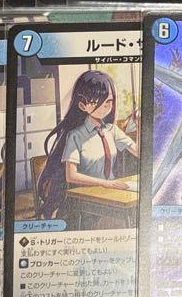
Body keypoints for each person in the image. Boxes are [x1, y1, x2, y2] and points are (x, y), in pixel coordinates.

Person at [34, 70, 138, 220]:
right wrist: (106, 184)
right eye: (97, 102)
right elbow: (71, 175)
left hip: (110, 195)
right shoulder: (75, 136)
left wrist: (141, 125)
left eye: (109, 101)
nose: (105, 106)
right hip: (83, 201)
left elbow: (138, 152)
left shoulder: (112, 130)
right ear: (82, 105)